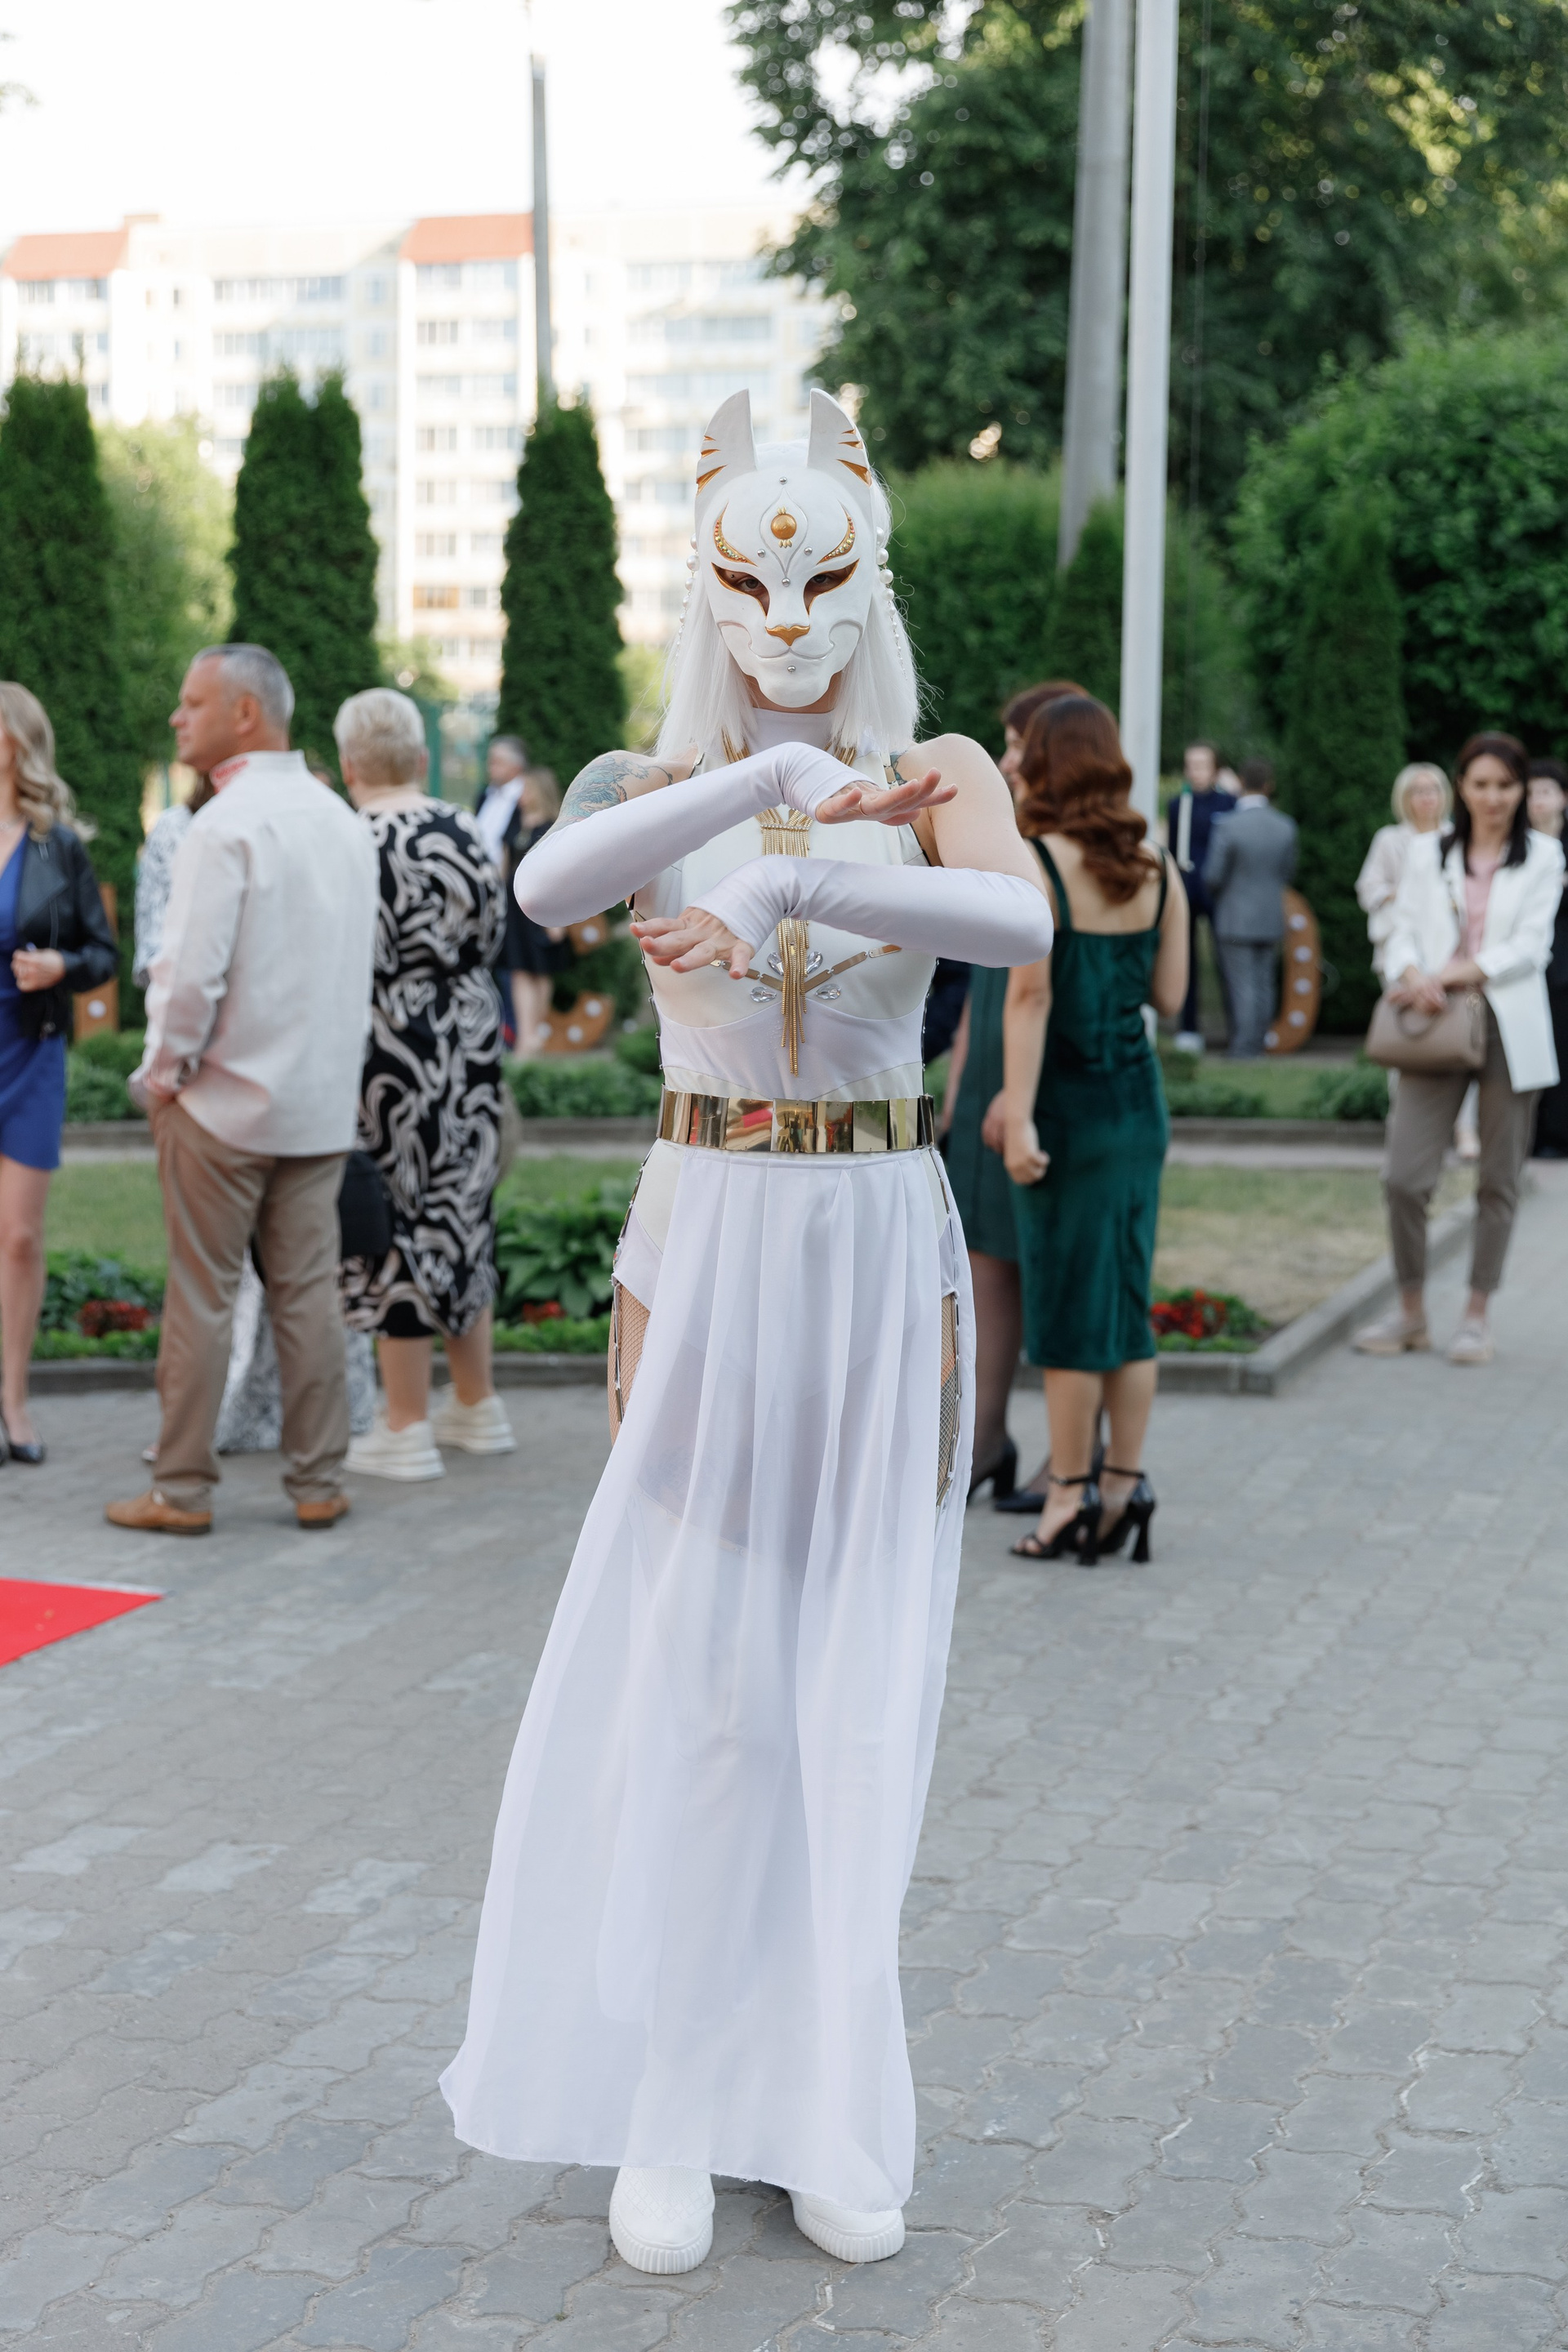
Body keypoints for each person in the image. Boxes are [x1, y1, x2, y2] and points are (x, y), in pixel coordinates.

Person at [439, 389, 1053, 2276]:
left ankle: (824, 2106)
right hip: (708, 1235)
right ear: (705, 586)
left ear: (870, 573)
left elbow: (1020, 923)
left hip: (875, 1237)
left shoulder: (938, 764)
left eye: (818, 579)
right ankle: (679, 2105)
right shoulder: (650, 775)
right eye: (748, 583)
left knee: (850, 1696)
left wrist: (799, 870)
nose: (787, 616)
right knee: (706, 1687)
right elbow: (545, 887)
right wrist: (752, 789)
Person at [105, 644, 377, 1536]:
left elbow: (186, 978)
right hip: (317, 1107)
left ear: (245, 713)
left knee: (202, 1296)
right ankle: (318, 1482)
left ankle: (181, 1490)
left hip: (221, 1105)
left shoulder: (221, 826)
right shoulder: (343, 821)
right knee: (308, 1296)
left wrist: (161, 1078)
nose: (177, 717)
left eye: (192, 702)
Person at [1001, 694, 1188, 1566]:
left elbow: (1030, 997)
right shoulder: (1159, 869)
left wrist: (1018, 1114)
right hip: (1138, 1107)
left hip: (1068, 1113)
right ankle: (1124, 1485)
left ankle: (1067, 1496)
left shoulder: (1037, 862)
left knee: (1069, 1306)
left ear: (1048, 766)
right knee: (1124, 1299)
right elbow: (1171, 997)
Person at [334, 688, 512, 1478]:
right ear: (420, 757)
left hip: (385, 1042)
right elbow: (498, 929)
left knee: (394, 1214)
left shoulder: (351, 838)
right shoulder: (468, 828)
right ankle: (477, 1404)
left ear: (349, 765)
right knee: (462, 1206)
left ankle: (404, 1425)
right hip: (468, 1031)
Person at [1354, 732, 1562, 1367]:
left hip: (1506, 1023)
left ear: (1521, 790)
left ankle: (1476, 1315)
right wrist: (1410, 972)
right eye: (1481, 785)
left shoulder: (1544, 856)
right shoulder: (1426, 852)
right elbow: (1399, 929)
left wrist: (1450, 973)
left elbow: (1530, 946)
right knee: (1404, 1177)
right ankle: (1411, 1310)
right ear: (1461, 788)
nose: (1493, 797)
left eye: (1505, 785)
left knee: (1498, 1178)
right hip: (1435, 1020)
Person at [942, 679, 1088, 1511]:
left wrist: (1015, 1092)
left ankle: (1079, 1457)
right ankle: (985, 1440)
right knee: (984, 1265)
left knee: (1056, 1265)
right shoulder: (1009, 841)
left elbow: (1056, 992)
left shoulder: (1083, 858)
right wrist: (962, 1080)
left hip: (1040, 1080)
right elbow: (982, 982)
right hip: (990, 1077)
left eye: (1018, 746)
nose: (1004, 762)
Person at [0, 683, 118, 1467]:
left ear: (16, 742)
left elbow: (103, 955)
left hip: (29, 1052)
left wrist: (61, 965)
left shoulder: (58, 846)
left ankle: (14, 1401)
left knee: (18, 1236)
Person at [474, 734, 568, 1057]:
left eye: (526, 789)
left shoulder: (551, 827)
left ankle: (535, 1032)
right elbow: (504, 862)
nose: (521, 795)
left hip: (540, 905)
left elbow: (559, 872)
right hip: (514, 905)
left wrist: (559, 919)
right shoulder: (516, 821)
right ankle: (526, 1036)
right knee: (517, 968)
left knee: (540, 969)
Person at [1203, 756, 1298, 1059]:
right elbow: (1288, 872)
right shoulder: (1285, 826)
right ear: (1269, 786)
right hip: (1270, 914)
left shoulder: (1228, 825)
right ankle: (1259, 1042)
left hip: (1235, 915)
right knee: (1264, 983)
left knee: (1242, 983)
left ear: (1242, 783)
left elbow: (1213, 875)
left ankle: (1244, 1047)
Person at [1166, 739, 1236, 1053]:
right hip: (1187, 890)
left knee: (1227, 958)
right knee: (1186, 960)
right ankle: (1189, 1027)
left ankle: (1237, 1027)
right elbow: (1173, 850)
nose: (1195, 771)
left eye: (1202, 765)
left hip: (1219, 892)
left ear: (1215, 769)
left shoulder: (1228, 804)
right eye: (1191, 765)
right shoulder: (1177, 805)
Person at [1356, 763, 1451, 980]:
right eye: (1419, 791)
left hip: (1446, 945)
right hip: (1398, 941)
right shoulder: (1389, 839)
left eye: (1433, 789)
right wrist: (1406, 893)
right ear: (1404, 797)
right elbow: (1368, 889)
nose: (1427, 797)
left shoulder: (1456, 838)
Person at [1526, 757, 1568, 1158]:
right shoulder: (1516, 845)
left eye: (1545, 791)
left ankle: (1557, 1136)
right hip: (1526, 964)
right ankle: (1532, 1136)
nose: (1537, 800)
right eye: (1531, 792)